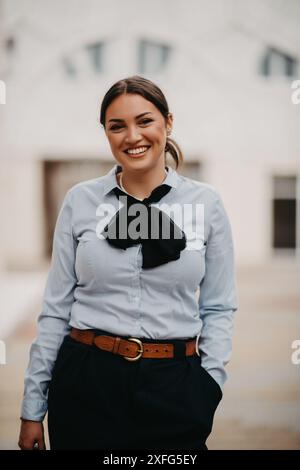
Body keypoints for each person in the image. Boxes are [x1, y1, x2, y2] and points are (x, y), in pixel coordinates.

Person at [18, 75, 238, 450]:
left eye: (145, 121)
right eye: (117, 126)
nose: (132, 136)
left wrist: (208, 387)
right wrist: (32, 408)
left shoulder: (206, 204)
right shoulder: (79, 201)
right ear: (106, 133)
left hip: (175, 384)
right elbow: (56, 309)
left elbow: (218, 306)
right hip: (86, 382)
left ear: (168, 122)